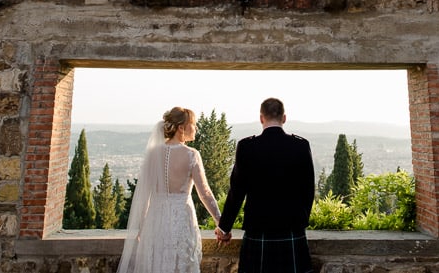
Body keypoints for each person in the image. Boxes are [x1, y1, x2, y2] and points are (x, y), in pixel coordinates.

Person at [215, 98, 315, 273]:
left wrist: (224, 227)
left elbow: (236, 192)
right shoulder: (300, 145)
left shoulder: (247, 146)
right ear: (284, 118)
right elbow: (308, 190)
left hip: (258, 227)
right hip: (291, 226)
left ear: (261, 118)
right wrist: (301, 220)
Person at [117, 106, 222, 273]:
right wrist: (220, 223)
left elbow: (145, 194)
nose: (196, 128)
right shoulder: (191, 155)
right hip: (181, 219)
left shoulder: (153, 154)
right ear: (181, 128)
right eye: (193, 124)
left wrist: (142, 226)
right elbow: (205, 193)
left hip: (155, 221)